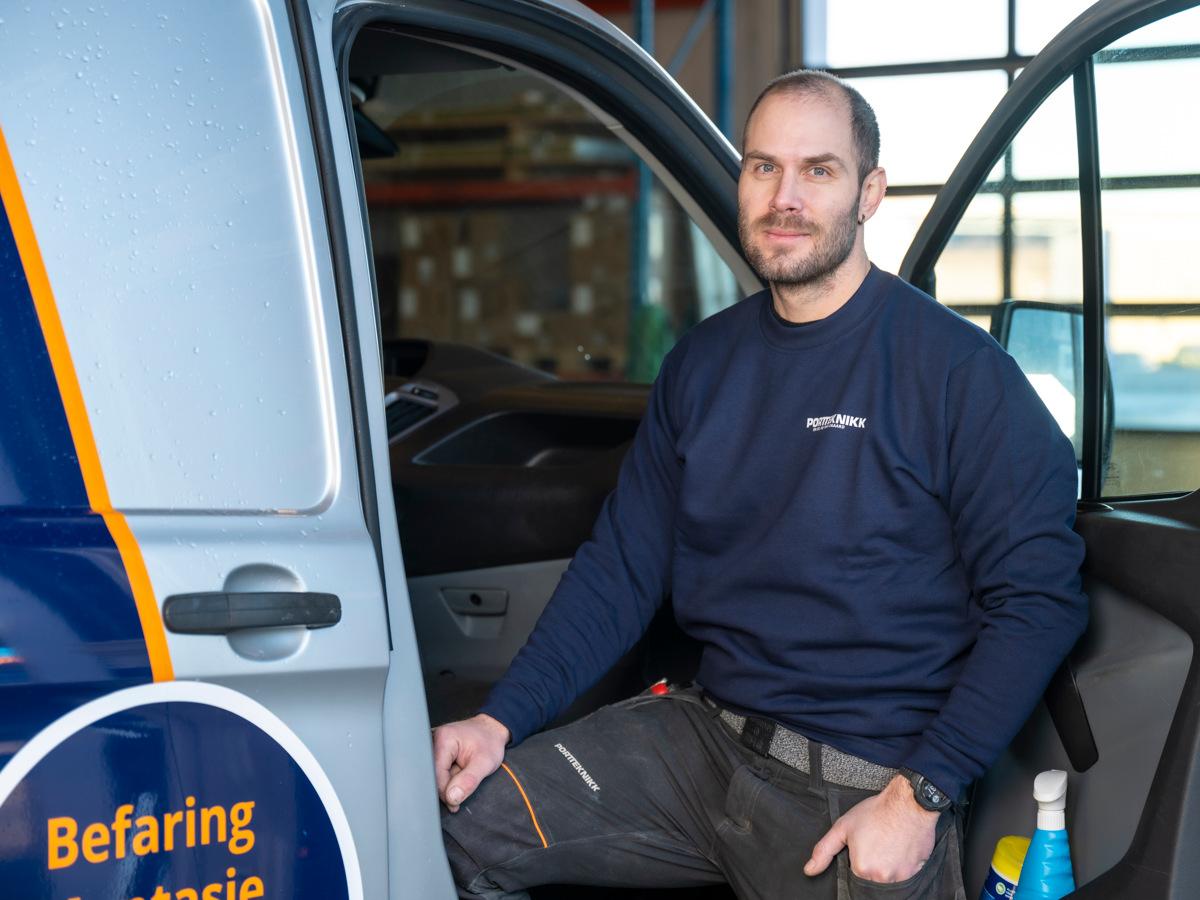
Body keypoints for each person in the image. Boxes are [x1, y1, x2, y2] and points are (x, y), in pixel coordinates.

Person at [431, 69, 1087, 900]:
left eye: (819, 170)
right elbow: (622, 569)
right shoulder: (702, 366)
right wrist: (500, 719)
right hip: (702, 743)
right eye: (763, 167)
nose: (785, 198)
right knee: (454, 826)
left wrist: (922, 794)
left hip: (864, 782)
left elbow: (1039, 600)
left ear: (869, 193)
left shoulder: (958, 374)